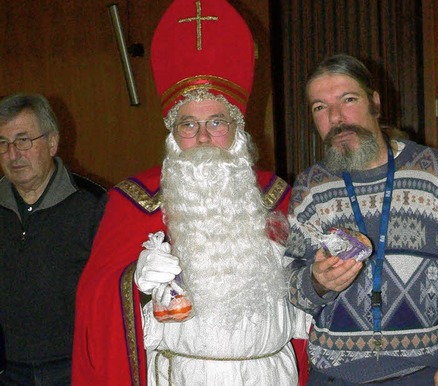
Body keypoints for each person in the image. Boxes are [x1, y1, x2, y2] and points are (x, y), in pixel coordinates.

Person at [71, 0, 309, 385]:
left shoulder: (278, 197)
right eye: (188, 124)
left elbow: (308, 290)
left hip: (268, 374)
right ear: (172, 133)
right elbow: (94, 302)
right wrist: (134, 281)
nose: (201, 137)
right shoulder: (132, 200)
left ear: (237, 130)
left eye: (216, 121)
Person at [286, 54, 438, 386]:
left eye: (348, 100)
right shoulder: (310, 186)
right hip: (333, 376)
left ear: (375, 103)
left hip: (425, 373)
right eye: (320, 107)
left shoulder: (434, 171)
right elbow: (290, 284)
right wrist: (316, 282)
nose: (336, 117)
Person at [0, 93, 106, 385]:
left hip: (72, 366)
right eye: (3, 143)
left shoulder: (93, 204)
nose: (12, 154)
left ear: (52, 142)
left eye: (23, 140)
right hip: (6, 368)